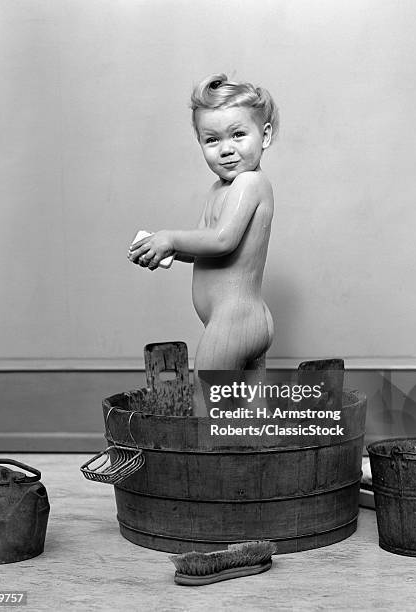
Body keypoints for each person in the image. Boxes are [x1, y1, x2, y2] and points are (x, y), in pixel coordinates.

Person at [128, 73, 278, 416]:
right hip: (241, 319)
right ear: (200, 142)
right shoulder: (219, 190)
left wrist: (170, 235)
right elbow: (203, 247)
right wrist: (164, 250)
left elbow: (223, 240)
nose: (226, 149)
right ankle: (254, 465)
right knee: (249, 414)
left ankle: (211, 468)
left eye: (238, 135)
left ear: (264, 135)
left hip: (234, 321)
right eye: (212, 140)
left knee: (207, 404)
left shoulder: (250, 183)